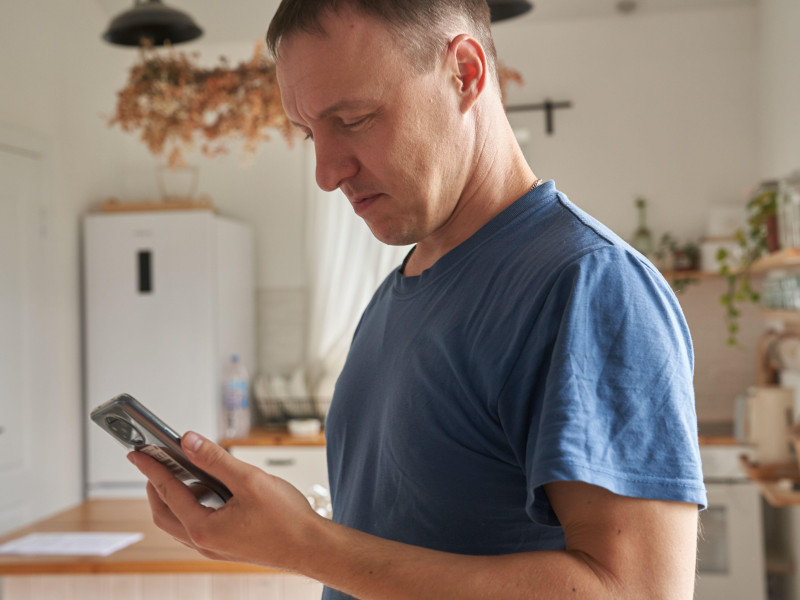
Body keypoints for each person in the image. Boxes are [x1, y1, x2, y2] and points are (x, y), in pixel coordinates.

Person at [128, 1, 707, 598]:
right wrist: (281, 534)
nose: (326, 173)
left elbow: (637, 591)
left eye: (352, 119)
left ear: (464, 72)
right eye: (309, 134)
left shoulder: (588, 285)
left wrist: (303, 543)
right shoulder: (398, 290)